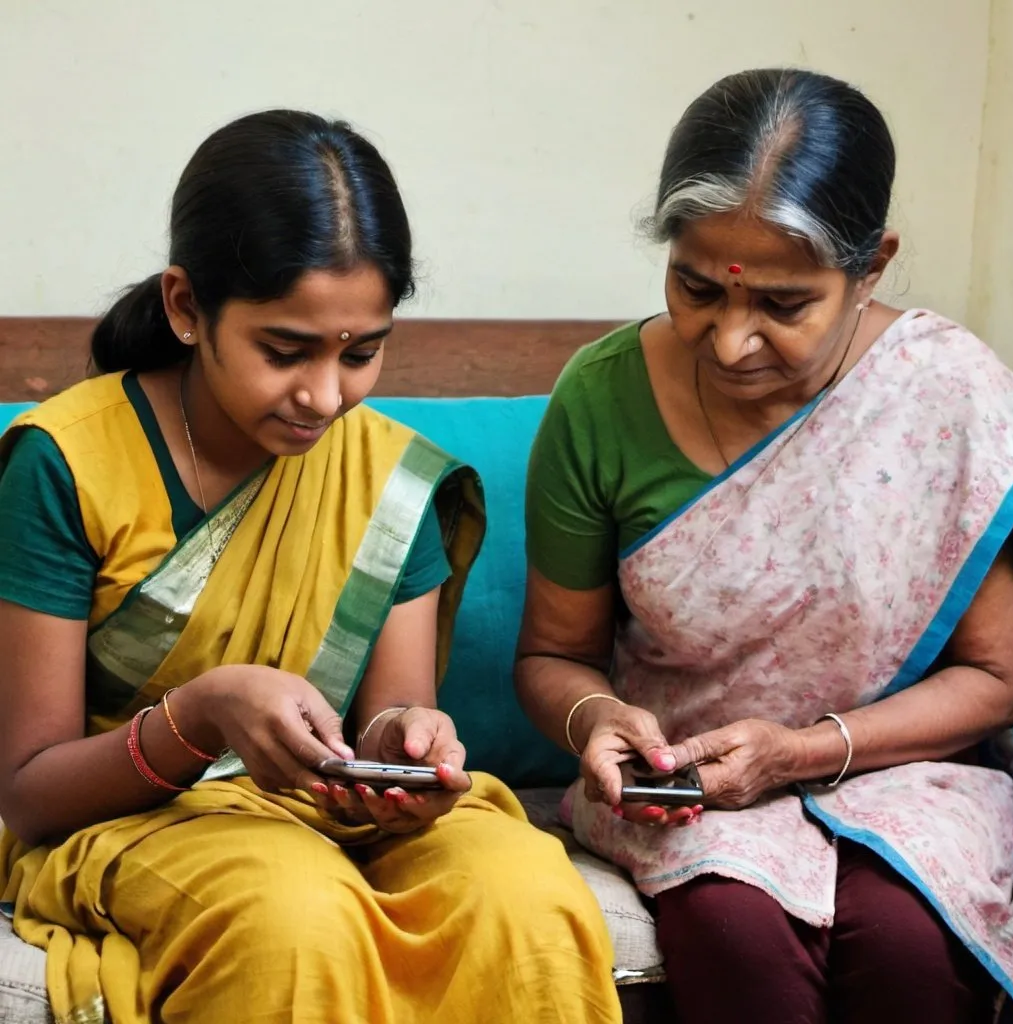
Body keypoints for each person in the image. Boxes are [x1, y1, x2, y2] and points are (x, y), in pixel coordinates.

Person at [0, 109, 621, 1024]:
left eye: (361, 353)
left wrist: (406, 751)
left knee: (522, 888)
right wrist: (204, 713)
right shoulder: (62, 463)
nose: (325, 397)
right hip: (131, 823)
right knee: (292, 915)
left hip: (332, 816)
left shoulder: (386, 476)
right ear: (185, 307)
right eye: (284, 351)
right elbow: (30, 792)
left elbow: (391, 720)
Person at [515, 68, 1013, 1024]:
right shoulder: (600, 395)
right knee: (733, 930)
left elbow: (1000, 679)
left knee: (912, 943)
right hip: (687, 787)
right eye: (695, 288)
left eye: (783, 306)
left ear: (871, 267)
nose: (729, 340)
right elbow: (554, 655)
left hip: (907, 766)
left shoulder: (945, 394)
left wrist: (801, 752)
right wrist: (597, 723)